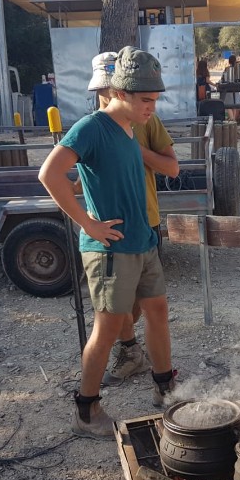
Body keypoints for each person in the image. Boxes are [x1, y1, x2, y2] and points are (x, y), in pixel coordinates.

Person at [38, 46, 178, 439]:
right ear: (120, 93)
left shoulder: (130, 128)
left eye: (154, 99)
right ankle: (86, 409)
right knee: (108, 327)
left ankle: (165, 387)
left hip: (142, 241)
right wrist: (89, 224)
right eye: (146, 100)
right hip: (111, 250)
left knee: (158, 312)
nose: (152, 107)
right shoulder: (91, 127)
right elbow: (49, 174)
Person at [85, 52, 180, 387]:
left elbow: (172, 167)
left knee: (145, 305)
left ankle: (148, 366)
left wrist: (137, 151)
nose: (106, 97)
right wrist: (86, 218)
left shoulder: (144, 120)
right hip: (114, 233)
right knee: (114, 314)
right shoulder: (95, 126)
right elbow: (56, 171)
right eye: (102, 92)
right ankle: (128, 352)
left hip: (146, 223)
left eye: (110, 89)